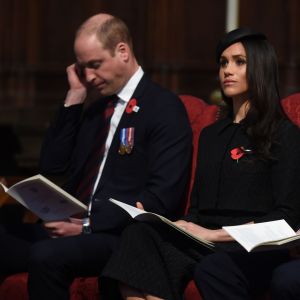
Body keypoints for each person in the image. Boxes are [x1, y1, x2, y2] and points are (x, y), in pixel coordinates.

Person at [100, 28, 300, 300]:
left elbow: (286, 218)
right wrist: (168, 223)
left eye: (239, 62)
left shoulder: (284, 133)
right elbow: (197, 210)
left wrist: (214, 235)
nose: (227, 70)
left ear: (261, 67)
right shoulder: (210, 135)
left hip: (252, 246)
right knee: (139, 234)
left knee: (214, 268)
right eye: (223, 62)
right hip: (203, 239)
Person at [27, 13, 192, 300]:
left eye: (95, 65)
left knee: (46, 256)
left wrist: (87, 225)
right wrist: (75, 95)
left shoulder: (163, 106)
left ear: (122, 51)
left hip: (119, 235)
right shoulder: (96, 109)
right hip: (69, 226)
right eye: (83, 68)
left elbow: (162, 196)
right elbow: (52, 164)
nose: (89, 76)